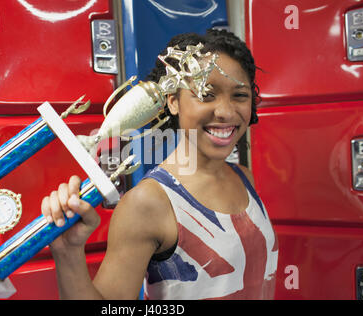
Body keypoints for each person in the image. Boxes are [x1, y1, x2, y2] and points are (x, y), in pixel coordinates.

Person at [41, 29, 278, 300]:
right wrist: (68, 253)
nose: (225, 112)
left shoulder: (243, 177)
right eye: (206, 94)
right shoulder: (148, 203)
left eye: (239, 95)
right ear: (173, 102)